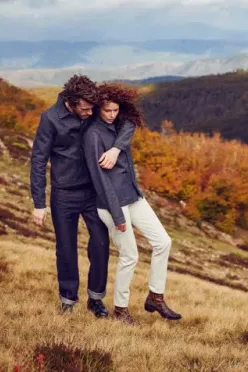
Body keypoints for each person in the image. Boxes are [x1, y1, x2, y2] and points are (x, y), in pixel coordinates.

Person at [30, 75, 135, 318]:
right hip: (63, 194)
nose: (90, 113)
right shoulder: (50, 119)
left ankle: (96, 299)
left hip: (93, 192)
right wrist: (39, 203)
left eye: (92, 109)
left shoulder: (92, 108)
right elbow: (38, 160)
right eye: (85, 109)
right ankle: (68, 299)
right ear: (71, 102)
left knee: (100, 244)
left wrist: (116, 147)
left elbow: (129, 122)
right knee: (65, 248)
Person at [83, 83, 181, 324]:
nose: (112, 115)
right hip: (111, 204)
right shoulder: (93, 135)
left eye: (116, 110)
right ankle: (120, 309)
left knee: (163, 242)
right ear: (98, 110)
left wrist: (116, 149)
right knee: (130, 256)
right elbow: (100, 179)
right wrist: (117, 216)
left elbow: (129, 125)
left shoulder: (119, 124)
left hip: (133, 196)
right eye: (107, 111)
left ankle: (155, 297)